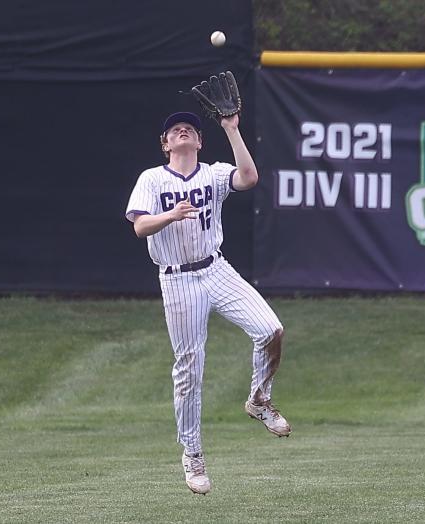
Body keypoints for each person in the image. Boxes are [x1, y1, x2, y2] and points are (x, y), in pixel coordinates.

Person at [125, 111, 291, 495]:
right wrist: (171, 214)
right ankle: (193, 454)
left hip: (216, 269)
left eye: (190, 129)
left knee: (271, 329)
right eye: (173, 130)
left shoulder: (213, 174)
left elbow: (249, 178)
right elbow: (139, 226)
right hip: (177, 277)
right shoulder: (152, 178)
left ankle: (259, 399)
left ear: (199, 141)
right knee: (189, 368)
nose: (181, 131)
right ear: (165, 143)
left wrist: (232, 130)